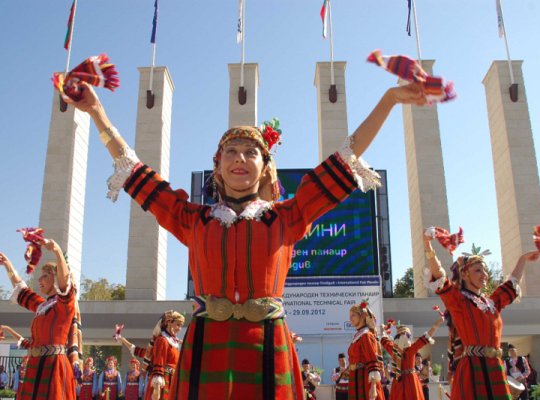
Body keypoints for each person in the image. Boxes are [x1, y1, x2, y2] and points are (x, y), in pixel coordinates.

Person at [66, 78, 427, 399]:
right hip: (206, 346)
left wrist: (390, 99)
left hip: (269, 349)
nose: (240, 158)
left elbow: (347, 158)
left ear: (264, 165)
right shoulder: (193, 219)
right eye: (231, 152)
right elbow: (135, 172)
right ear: (218, 165)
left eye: (251, 152)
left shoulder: (288, 216)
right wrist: (97, 112)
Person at [424, 230, 540, 399]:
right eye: (478, 270)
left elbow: (512, 282)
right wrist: (427, 245)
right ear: (465, 274)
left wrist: (523, 259)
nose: (484, 275)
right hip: (472, 368)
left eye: (485, 271)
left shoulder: (492, 302)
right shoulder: (459, 301)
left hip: (495, 367)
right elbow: (439, 275)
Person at [0, 238, 79, 400]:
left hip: (54, 365)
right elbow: (21, 290)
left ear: (55, 279)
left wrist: (57, 251)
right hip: (36, 363)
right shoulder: (42, 306)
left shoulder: (65, 305)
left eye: (45, 276)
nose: (39, 280)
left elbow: (65, 284)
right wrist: (7, 265)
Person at [380, 316, 443, 400]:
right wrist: (436, 325)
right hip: (410, 380)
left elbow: (384, 340)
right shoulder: (410, 349)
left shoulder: (394, 350)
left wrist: (382, 330)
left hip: (399, 380)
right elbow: (426, 337)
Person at [347, 302, 385, 400]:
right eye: (350, 316)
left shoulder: (366, 335)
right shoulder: (358, 336)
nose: (350, 318)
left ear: (362, 316)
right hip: (356, 377)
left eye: (353, 315)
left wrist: (373, 387)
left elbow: (372, 360)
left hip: (365, 378)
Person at [143, 311, 184, 400]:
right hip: (163, 382)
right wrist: (157, 389)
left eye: (181, 326)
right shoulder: (162, 340)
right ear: (169, 322)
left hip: (172, 380)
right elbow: (159, 362)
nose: (179, 328)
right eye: (178, 325)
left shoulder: (174, 342)